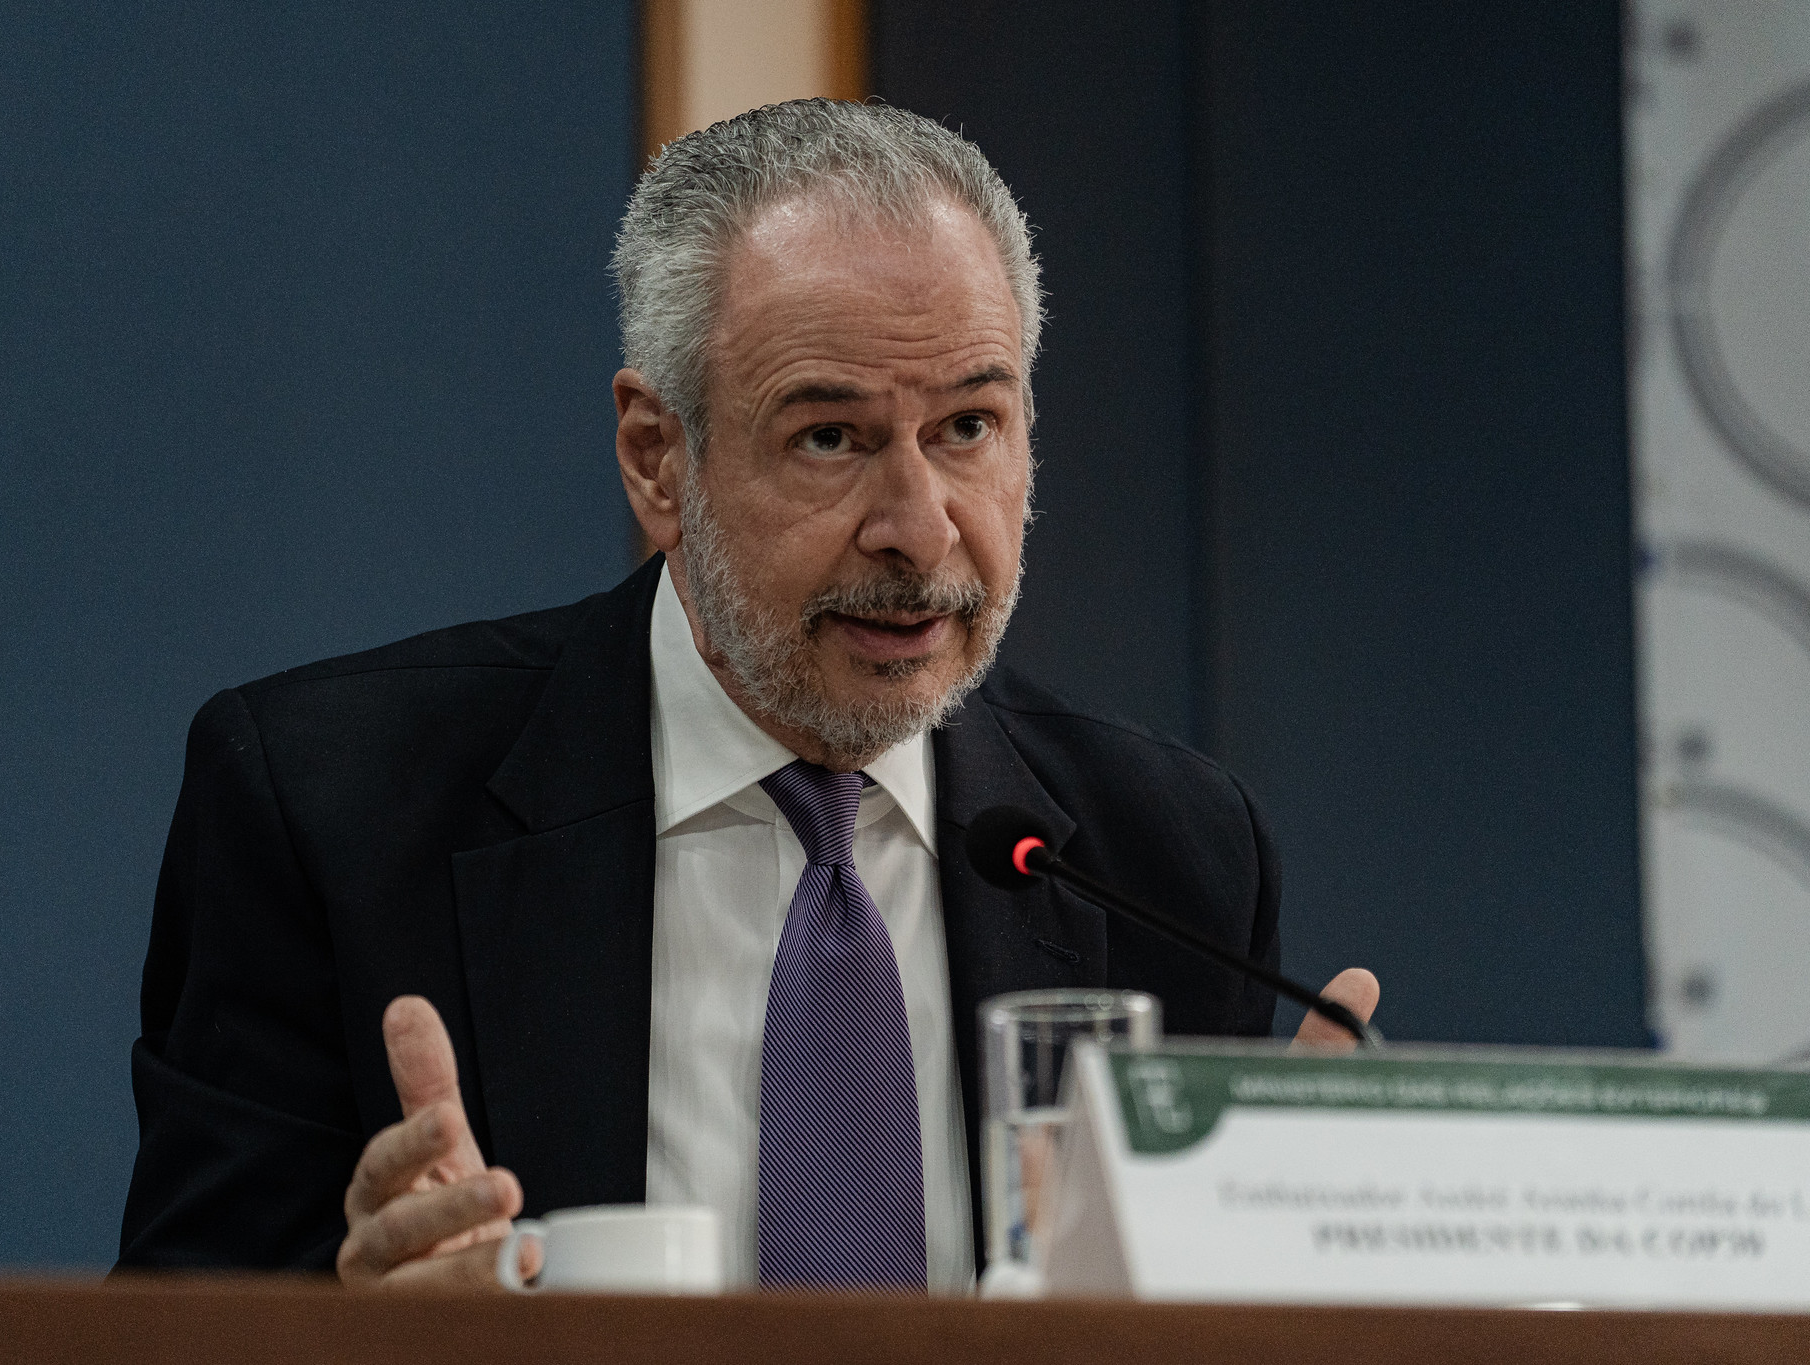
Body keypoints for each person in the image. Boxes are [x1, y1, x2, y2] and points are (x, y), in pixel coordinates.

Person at [116, 99, 1378, 1292]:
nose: (918, 528)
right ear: (657, 461)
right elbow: (169, 1328)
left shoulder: (1168, 858)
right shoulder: (329, 810)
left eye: (968, 427)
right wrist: (354, 1336)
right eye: (829, 437)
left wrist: (1285, 1296)